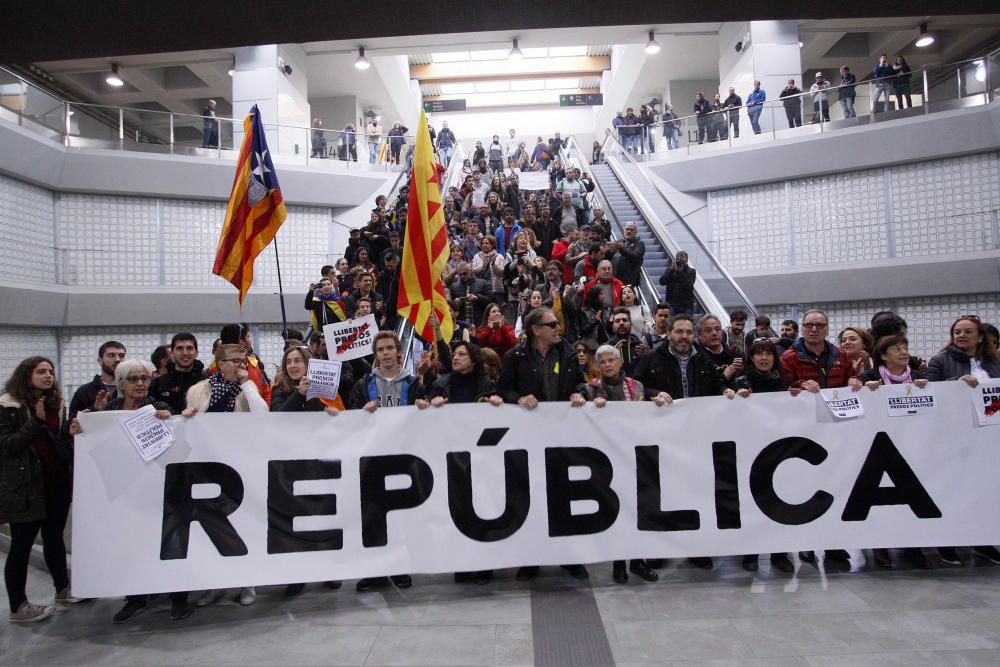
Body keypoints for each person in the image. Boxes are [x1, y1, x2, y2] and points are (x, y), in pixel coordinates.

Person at [633, 314, 732, 570]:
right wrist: (653, 395)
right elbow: (636, 386)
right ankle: (660, 548)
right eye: (679, 332)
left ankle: (696, 547)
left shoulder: (703, 358)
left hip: (695, 436)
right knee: (661, 492)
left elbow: (717, 384)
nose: (684, 337)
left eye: (689, 332)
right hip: (662, 435)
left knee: (695, 491)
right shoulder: (651, 357)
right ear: (669, 333)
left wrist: (725, 391)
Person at [498, 308, 588, 581]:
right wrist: (519, 398)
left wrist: (578, 392)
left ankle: (568, 556)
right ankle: (532, 557)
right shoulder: (515, 357)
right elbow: (502, 390)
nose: (558, 328)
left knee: (564, 496)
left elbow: (582, 385)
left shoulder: (569, 353)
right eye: (552, 324)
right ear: (536, 330)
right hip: (529, 438)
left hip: (562, 436)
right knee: (532, 496)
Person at [184, 346, 267, 610]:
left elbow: (263, 415)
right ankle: (213, 582)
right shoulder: (199, 391)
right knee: (211, 526)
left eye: (243, 361)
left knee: (242, 526)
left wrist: (247, 384)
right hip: (208, 468)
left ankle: (247, 581)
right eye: (234, 362)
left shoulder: (247, 389)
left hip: (240, 466)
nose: (240, 366)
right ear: (220, 364)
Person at [577, 344, 668, 583]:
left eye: (611, 360)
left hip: (635, 457)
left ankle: (638, 561)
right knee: (616, 511)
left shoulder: (636, 386)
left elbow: (654, 401)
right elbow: (575, 405)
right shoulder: (589, 388)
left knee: (638, 510)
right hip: (605, 460)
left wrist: (660, 398)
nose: (607, 365)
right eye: (603, 362)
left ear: (620, 363)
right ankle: (618, 563)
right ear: (597, 366)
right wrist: (580, 400)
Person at [780, 309, 862, 569]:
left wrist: (855, 380)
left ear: (827, 329)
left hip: (835, 432)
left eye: (819, 325)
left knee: (836, 486)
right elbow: (780, 390)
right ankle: (805, 544)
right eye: (809, 325)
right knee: (804, 489)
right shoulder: (789, 357)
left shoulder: (840, 356)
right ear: (802, 329)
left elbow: (853, 378)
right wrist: (797, 388)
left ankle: (834, 543)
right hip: (803, 433)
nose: (814, 329)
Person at [1, 357, 78, 624]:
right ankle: (18, 606)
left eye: (51, 371)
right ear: (26, 375)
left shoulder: (56, 404)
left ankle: (63, 589)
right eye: (41, 371)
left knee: (54, 538)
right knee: (21, 546)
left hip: (55, 482)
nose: (48, 376)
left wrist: (73, 431)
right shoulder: (7, 407)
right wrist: (35, 420)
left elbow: (60, 442)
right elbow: (7, 446)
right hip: (26, 487)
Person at [927, 315, 1000, 566]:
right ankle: (946, 542)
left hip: (987, 435)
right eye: (957, 332)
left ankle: (982, 540)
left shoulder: (994, 362)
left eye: (967, 332)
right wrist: (955, 384)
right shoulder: (940, 361)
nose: (961, 336)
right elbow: (930, 390)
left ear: (980, 336)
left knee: (982, 491)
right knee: (950, 488)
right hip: (952, 435)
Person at [857, 334, 933, 570]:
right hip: (879, 446)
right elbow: (854, 397)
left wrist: (927, 388)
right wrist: (862, 389)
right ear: (882, 355)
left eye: (904, 348)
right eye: (896, 349)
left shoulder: (920, 377)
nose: (902, 352)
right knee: (881, 499)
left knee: (911, 497)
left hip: (913, 445)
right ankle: (880, 546)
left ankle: (913, 547)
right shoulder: (869, 377)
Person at [730, 339, 795, 575]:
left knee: (781, 501)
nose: (764, 358)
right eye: (759, 354)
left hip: (779, 449)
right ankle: (751, 552)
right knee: (751, 502)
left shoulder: (784, 383)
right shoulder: (741, 382)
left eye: (768, 353)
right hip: (750, 449)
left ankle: (780, 552)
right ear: (752, 358)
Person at [215, 323, 271, 406]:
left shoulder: (253, 363)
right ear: (241, 343)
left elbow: (265, 391)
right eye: (248, 336)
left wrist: (263, 409)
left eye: (243, 362)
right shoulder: (216, 368)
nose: (242, 365)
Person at [149, 332, 206, 414]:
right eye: (179, 348)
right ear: (172, 353)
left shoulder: (205, 382)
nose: (185, 353)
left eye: (190, 348)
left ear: (196, 353)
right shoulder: (158, 384)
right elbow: (147, 408)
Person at [69, 340, 126, 418]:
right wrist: (94, 409)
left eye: (121, 356)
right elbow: (70, 425)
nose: (117, 359)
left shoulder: (131, 388)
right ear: (100, 361)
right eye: (111, 355)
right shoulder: (84, 391)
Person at [608, 308, 646, 377]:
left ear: (631, 324)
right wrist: (610, 357)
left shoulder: (641, 347)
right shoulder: (606, 348)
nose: (621, 323)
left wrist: (644, 357)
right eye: (617, 321)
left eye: (624, 320)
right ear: (613, 326)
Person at [609, 222, 645, 287]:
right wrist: (610, 251)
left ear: (636, 232)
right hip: (614, 279)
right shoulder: (621, 242)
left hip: (628, 282)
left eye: (631, 230)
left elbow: (635, 257)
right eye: (627, 229)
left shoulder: (639, 243)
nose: (629, 231)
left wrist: (621, 248)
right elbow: (609, 257)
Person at [659, 251, 696, 315]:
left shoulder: (691, 271)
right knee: (672, 324)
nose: (681, 262)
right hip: (672, 304)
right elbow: (662, 282)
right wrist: (671, 269)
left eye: (684, 259)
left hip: (686, 304)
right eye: (679, 259)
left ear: (687, 260)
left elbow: (689, 286)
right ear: (676, 259)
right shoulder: (670, 270)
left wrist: (680, 272)